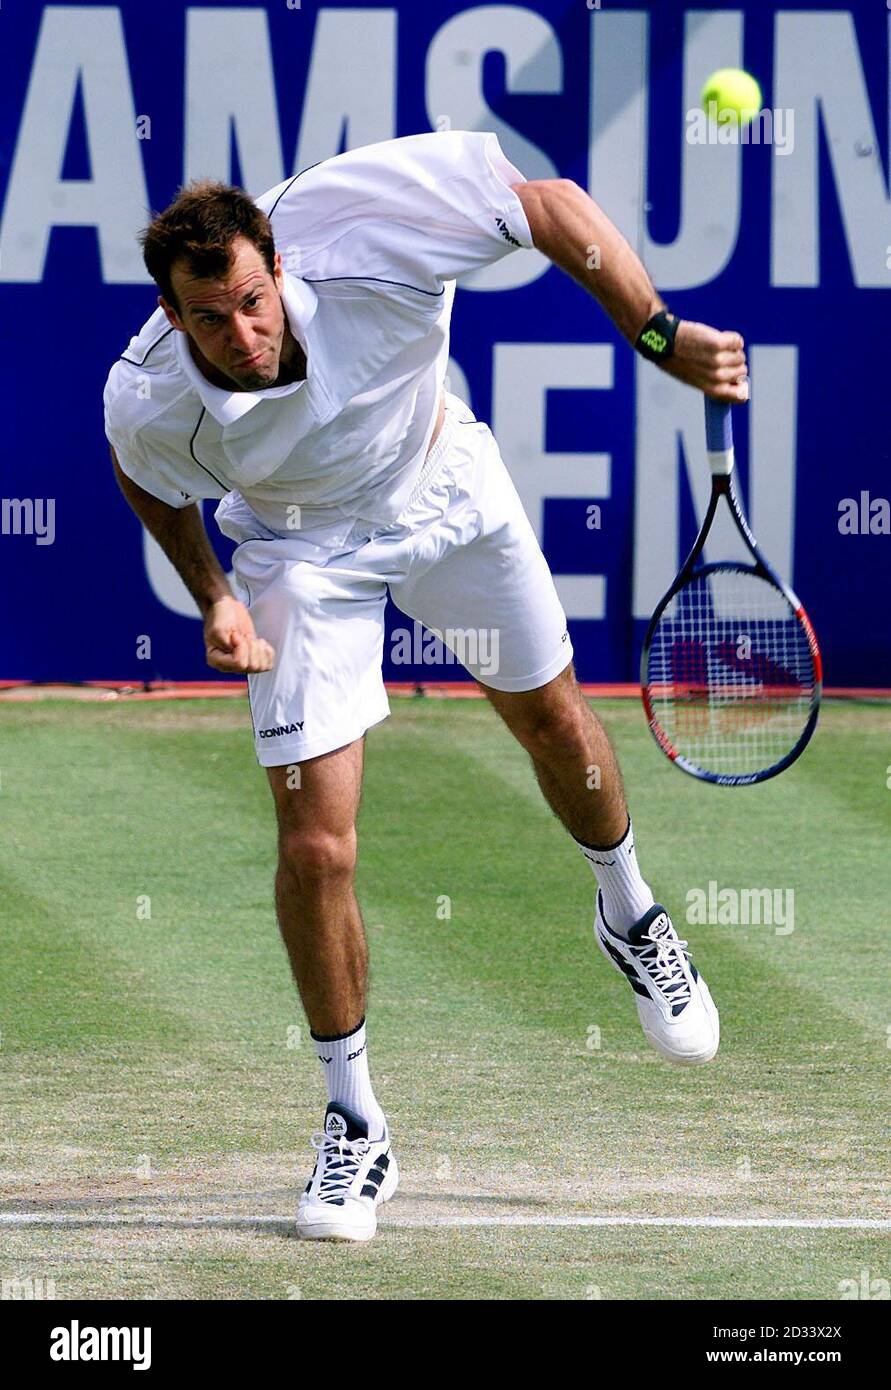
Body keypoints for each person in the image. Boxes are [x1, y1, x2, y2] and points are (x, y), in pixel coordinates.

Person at [104, 131, 749, 1243]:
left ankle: (628, 904)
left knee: (553, 723)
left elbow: (546, 206)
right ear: (173, 316)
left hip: (441, 482)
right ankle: (356, 1123)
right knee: (315, 844)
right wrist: (212, 593)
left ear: (278, 260)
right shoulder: (153, 398)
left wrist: (657, 328)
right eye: (209, 318)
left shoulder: (359, 222)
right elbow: (149, 480)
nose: (242, 335)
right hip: (302, 555)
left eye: (254, 301)